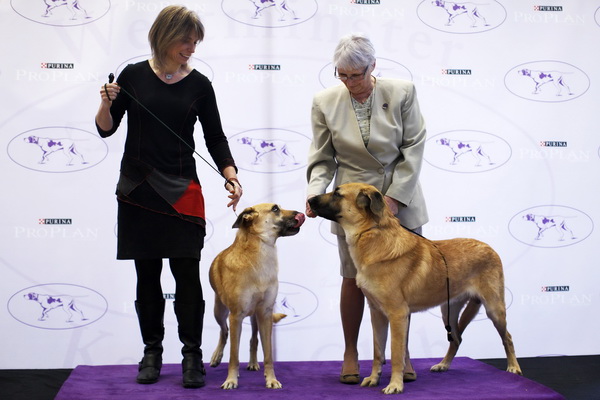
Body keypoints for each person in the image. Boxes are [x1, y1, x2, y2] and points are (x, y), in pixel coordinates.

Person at [95, 5, 242, 389]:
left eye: (195, 42)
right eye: (185, 41)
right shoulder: (133, 76)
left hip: (182, 192)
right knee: (146, 273)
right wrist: (106, 102)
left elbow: (215, 137)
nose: (191, 48)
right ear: (164, 36)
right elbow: (106, 130)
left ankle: (191, 356)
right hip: (138, 189)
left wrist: (230, 174)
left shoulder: (200, 85)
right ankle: (152, 352)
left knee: (187, 274)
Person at [305, 33, 428, 385]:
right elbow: (322, 157)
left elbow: (414, 146)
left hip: (400, 198)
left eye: (355, 75)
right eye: (341, 75)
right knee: (353, 278)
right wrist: (316, 194)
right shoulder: (324, 101)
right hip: (352, 206)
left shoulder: (402, 91)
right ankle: (350, 351)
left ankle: (400, 354)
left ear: (373, 67)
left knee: (402, 281)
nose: (349, 83)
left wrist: (395, 197)